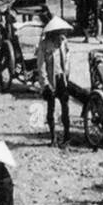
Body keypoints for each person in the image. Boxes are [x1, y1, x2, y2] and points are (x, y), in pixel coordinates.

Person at [36, 17, 73, 145]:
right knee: (50, 109)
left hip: (61, 78)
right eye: (58, 33)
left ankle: (67, 135)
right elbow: (41, 65)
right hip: (50, 81)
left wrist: (67, 72)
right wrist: (45, 84)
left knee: (65, 108)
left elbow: (67, 57)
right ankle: (53, 137)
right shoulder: (44, 45)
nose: (61, 35)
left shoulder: (64, 43)